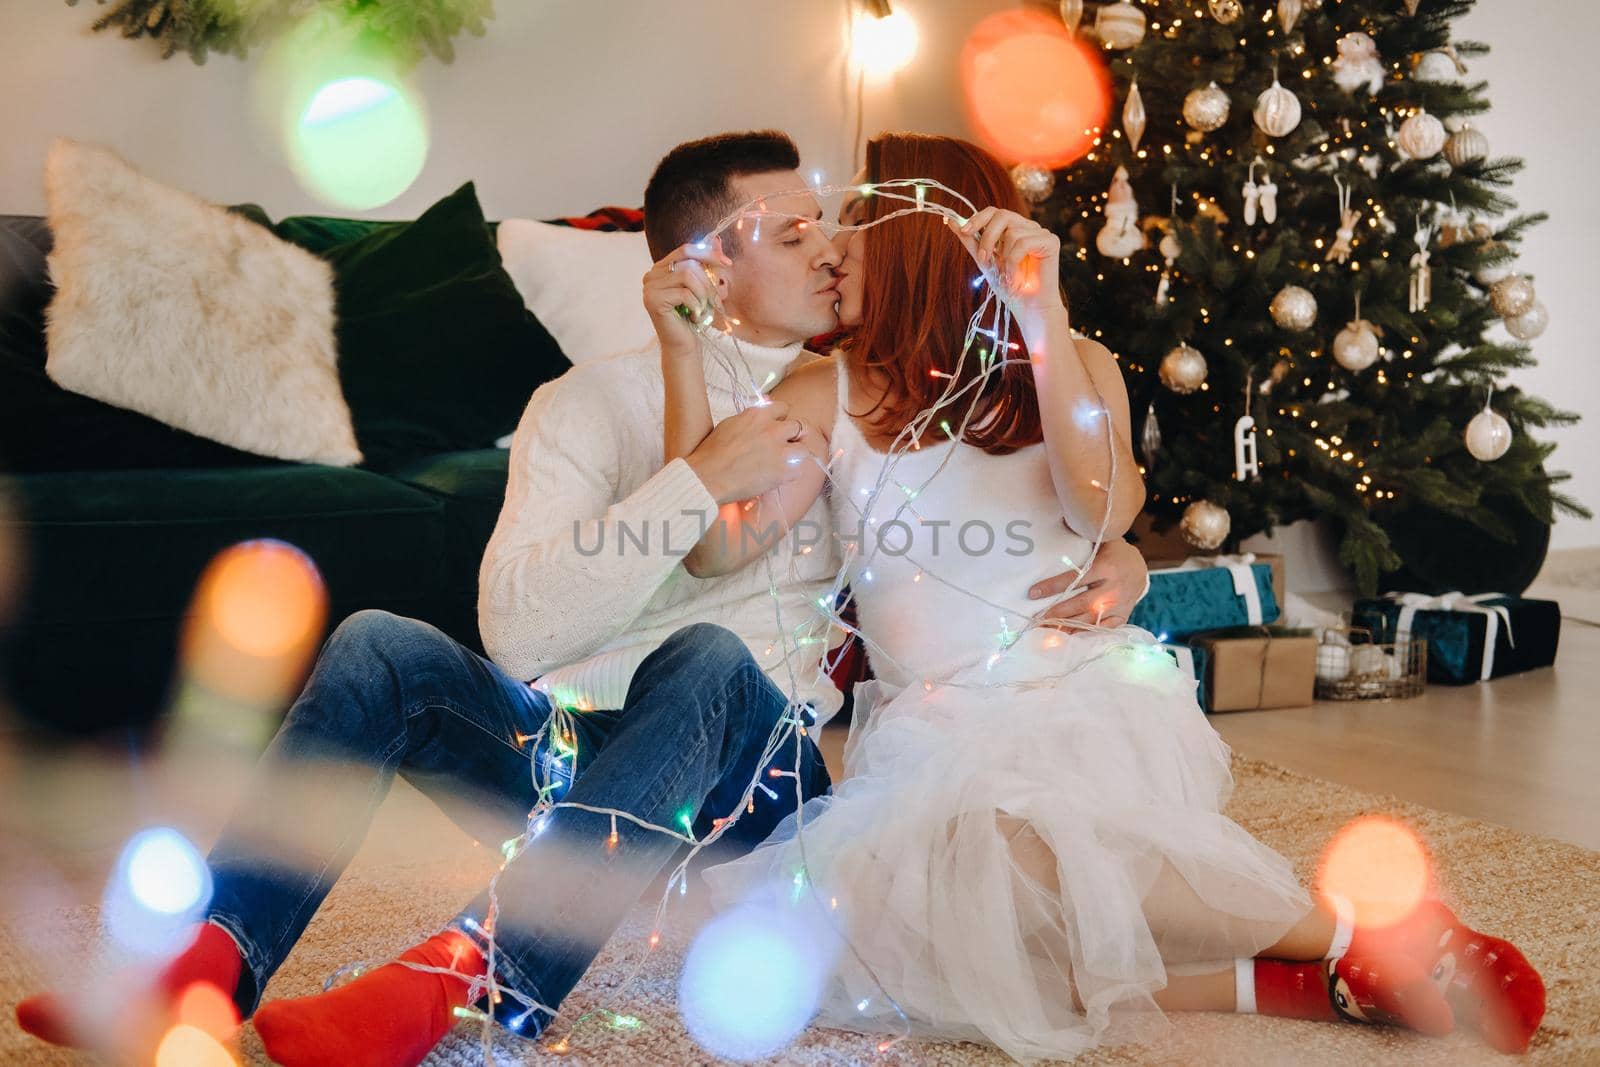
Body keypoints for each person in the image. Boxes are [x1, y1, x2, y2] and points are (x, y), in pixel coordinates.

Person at [14, 131, 1151, 1067]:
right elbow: (517, 627)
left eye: (831, 225)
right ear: (705, 265)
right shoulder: (578, 408)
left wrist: (1133, 562)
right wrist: (693, 449)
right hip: (579, 769)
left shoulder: (865, 393)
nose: (829, 249)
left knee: (705, 654)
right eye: (794, 230)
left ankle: (473, 982)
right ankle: (210, 961)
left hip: (760, 784)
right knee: (376, 644)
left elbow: (999, 512)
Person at [665, 132, 1546, 1061]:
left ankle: (1371, 928)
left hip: (1079, 699)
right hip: (935, 730)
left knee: (1008, 853)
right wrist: (683, 354)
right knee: (888, 948)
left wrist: (1040, 321)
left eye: (855, 226)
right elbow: (711, 549)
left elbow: (1105, 509)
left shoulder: (1073, 362)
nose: (834, 248)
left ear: (922, 247)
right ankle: (1303, 974)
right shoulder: (826, 392)